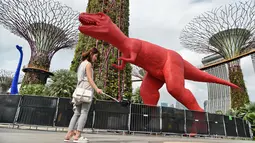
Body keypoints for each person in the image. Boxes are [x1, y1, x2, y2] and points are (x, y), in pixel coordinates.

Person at [64, 48, 103, 142]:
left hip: (79, 89)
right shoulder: (88, 64)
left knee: (76, 113)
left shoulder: (82, 64)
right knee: (84, 112)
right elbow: (90, 78)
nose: (96, 58)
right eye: (95, 56)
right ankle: (77, 135)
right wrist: (97, 88)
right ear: (91, 54)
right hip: (87, 89)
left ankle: (68, 134)